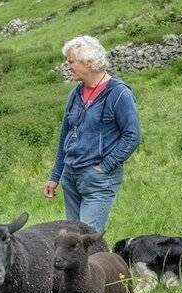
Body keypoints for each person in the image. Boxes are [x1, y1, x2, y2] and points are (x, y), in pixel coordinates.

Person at [43, 36, 141, 233]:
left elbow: (132, 136)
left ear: (88, 62)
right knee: (73, 239)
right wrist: (56, 176)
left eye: (71, 61)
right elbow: (66, 136)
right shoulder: (75, 94)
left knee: (86, 239)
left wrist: (105, 166)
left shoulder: (119, 93)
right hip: (70, 176)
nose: (67, 66)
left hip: (97, 178)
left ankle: (105, 264)